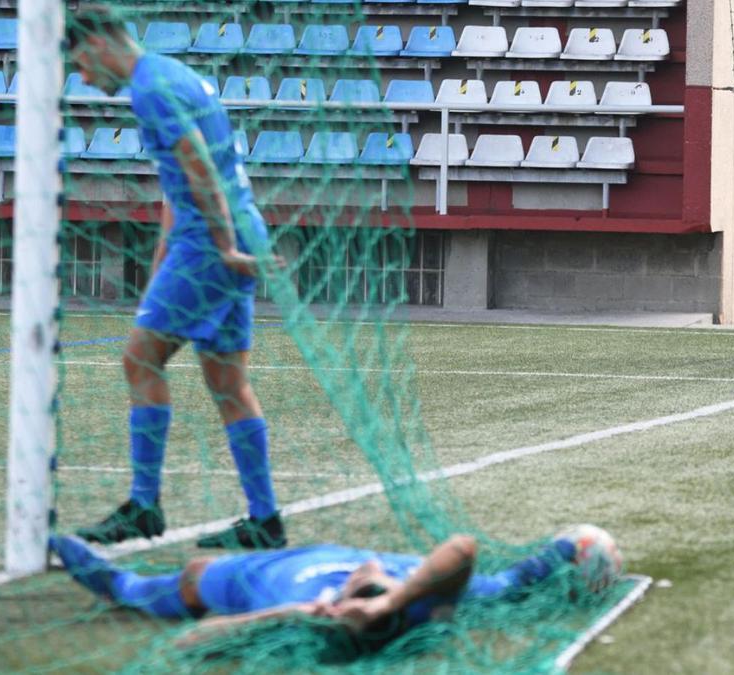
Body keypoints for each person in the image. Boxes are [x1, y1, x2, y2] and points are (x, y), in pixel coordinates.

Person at [67, 6, 286, 549]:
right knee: (228, 383)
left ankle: (145, 505)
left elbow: (198, 169)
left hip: (211, 241)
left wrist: (223, 249)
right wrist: (167, 261)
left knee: (140, 358)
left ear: (97, 43)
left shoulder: (150, 89)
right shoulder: (174, 75)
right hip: (232, 228)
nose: (87, 80)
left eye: (81, 66)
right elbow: (179, 182)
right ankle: (266, 519)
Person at [49, 526, 621, 653]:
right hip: (316, 564)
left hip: (268, 583)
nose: (367, 573)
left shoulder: (308, 615)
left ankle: (111, 579)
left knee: (194, 576)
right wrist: (393, 597)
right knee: (517, 583)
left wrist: (296, 612)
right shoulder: (431, 597)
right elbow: (464, 549)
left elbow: (187, 644)